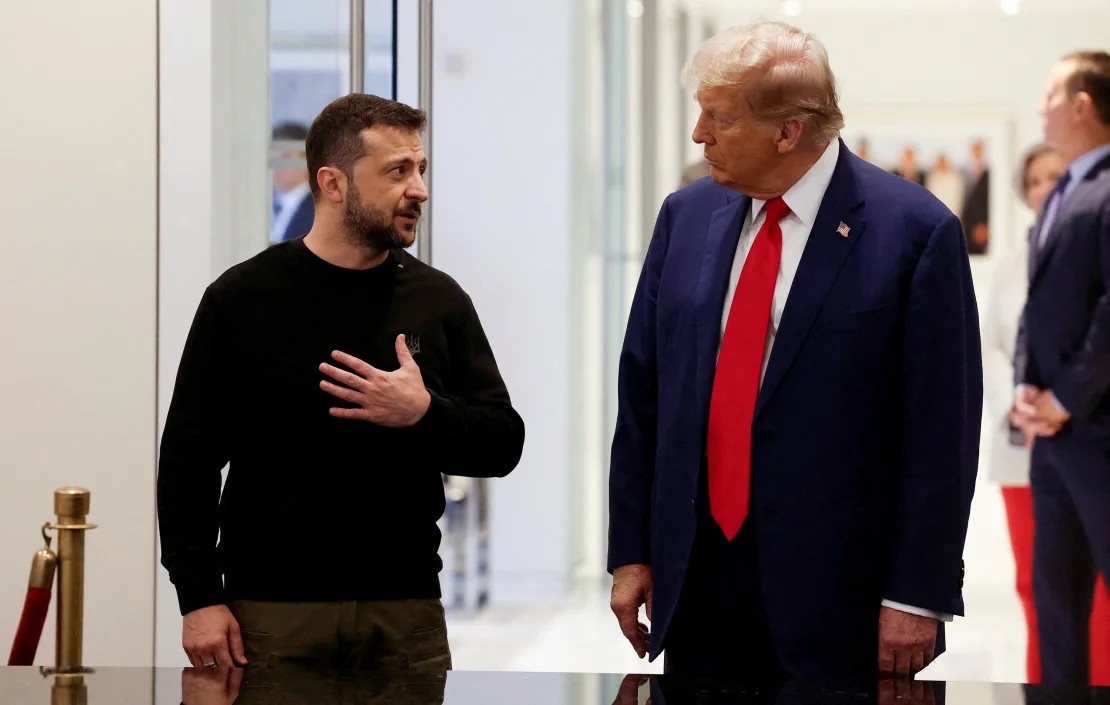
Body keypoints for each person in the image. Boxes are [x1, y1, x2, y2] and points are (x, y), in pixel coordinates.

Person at [607, 21, 982, 683]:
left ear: (787, 132)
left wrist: (916, 594)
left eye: (717, 116)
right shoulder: (685, 216)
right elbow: (643, 392)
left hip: (841, 591)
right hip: (695, 575)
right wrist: (632, 550)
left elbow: (940, 431)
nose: (699, 133)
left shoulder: (915, 233)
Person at [157, 93, 525, 673]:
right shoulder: (243, 299)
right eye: (398, 171)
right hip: (271, 615)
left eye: (421, 169)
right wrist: (198, 596)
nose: (420, 190)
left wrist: (424, 414)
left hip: (404, 613)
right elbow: (188, 461)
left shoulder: (438, 300)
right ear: (332, 184)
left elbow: (504, 442)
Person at [983, 143, 1110, 685]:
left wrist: (1061, 405)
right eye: (1035, 179)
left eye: (1056, 176)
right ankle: (1046, 690)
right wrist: (1022, 406)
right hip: (1022, 445)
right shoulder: (1013, 264)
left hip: (1085, 434)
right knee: (1040, 586)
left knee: (1094, 590)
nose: (1045, 186)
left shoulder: (1096, 245)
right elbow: (993, 346)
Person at [1012, 50, 1110, 686]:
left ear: (1081, 104)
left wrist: (1067, 397)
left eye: (1050, 95)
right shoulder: (1062, 192)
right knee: (1056, 605)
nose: (1041, 108)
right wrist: (1026, 385)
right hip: (1052, 440)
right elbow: (1038, 305)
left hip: (1098, 430)